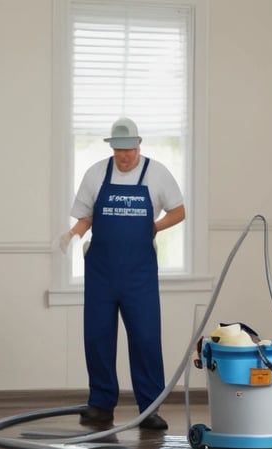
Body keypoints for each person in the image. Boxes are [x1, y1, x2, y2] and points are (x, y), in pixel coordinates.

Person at [61, 117, 186, 430]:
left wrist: (153, 227)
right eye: (118, 150)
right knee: (98, 338)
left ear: (138, 145)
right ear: (112, 148)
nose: (124, 156)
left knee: (145, 339)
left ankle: (150, 408)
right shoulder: (96, 173)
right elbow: (86, 217)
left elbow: (179, 211)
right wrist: (71, 235)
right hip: (101, 273)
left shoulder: (156, 174)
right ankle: (101, 404)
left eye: (129, 149)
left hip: (139, 276)